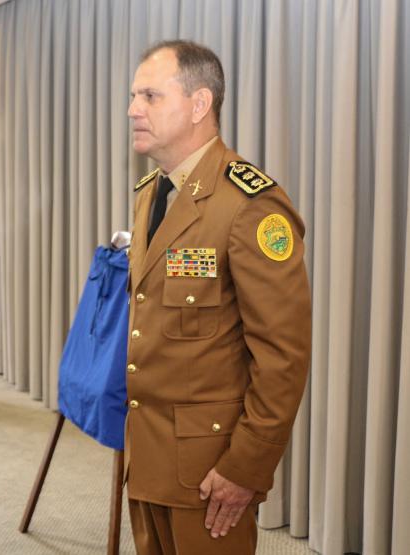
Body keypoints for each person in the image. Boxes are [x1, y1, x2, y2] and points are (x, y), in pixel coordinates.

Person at [123, 40, 311, 554]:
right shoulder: (152, 194)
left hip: (209, 471)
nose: (133, 109)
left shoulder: (250, 205)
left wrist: (246, 467)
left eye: (150, 96)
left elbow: (283, 358)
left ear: (199, 104)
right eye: (134, 96)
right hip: (149, 457)